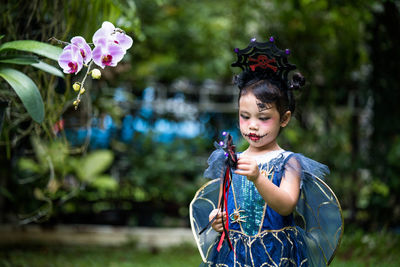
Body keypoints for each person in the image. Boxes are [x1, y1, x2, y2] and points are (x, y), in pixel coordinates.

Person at [190, 37, 343, 267]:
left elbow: (286, 205)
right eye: (245, 116)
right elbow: (224, 205)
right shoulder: (233, 160)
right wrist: (216, 218)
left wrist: (258, 177)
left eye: (263, 118)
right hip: (234, 254)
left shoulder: (289, 163)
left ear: (284, 118)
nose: (252, 125)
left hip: (274, 252)